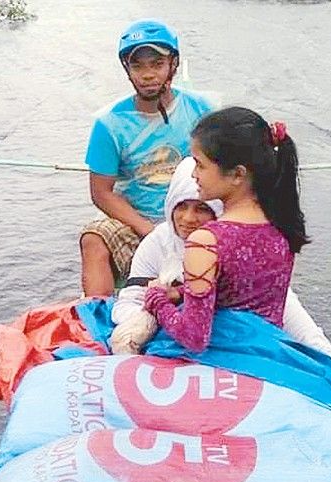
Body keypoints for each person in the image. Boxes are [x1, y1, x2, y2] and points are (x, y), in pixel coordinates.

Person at [144, 107, 331, 388]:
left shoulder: (206, 241)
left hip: (222, 361)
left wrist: (157, 300)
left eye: (200, 165)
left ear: (237, 174)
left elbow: (194, 336)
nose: (194, 175)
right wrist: (181, 293)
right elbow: (248, 294)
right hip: (270, 355)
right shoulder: (282, 227)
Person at [80, 19, 214, 297]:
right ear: (127, 70)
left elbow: (221, 170)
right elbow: (101, 193)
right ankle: (98, 312)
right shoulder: (109, 124)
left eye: (156, 64)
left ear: (172, 66)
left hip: (196, 212)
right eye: (138, 65)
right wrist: (151, 231)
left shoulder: (201, 110)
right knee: (93, 239)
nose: (148, 75)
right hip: (138, 218)